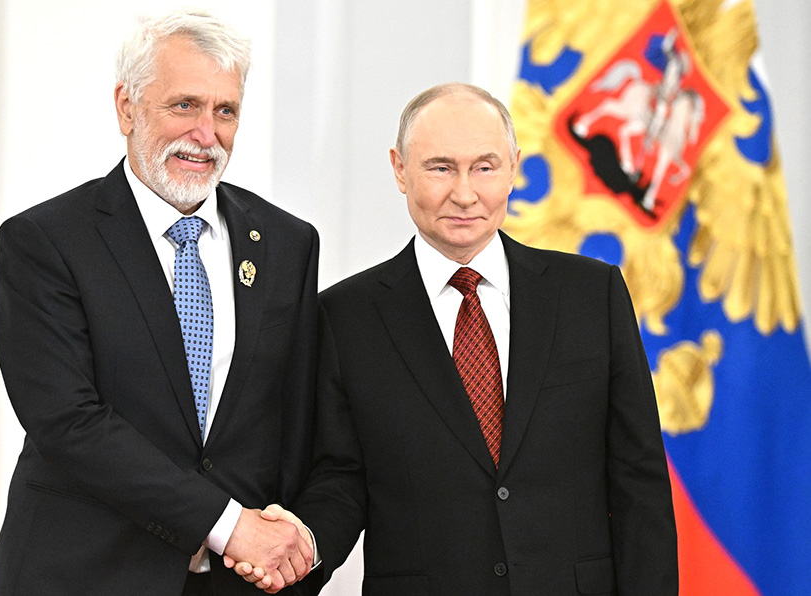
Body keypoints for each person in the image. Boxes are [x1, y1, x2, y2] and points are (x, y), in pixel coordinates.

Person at [236, 83, 678, 594]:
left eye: (485, 167)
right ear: (400, 169)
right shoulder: (343, 318)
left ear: (514, 167)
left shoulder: (592, 295)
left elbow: (638, 480)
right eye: (441, 168)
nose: (465, 194)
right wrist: (303, 543)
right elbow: (342, 477)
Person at [0, 10, 319, 596]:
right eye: (184, 105)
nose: (206, 134)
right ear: (127, 107)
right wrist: (228, 526)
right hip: (84, 575)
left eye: (225, 111)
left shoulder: (287, 243)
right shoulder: (46, 241)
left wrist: (290, 548)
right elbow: (69, 422)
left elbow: (294, 422)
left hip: (240, 582)